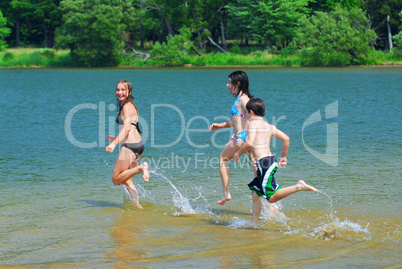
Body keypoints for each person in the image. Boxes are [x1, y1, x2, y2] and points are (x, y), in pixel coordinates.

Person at [234, 98, 318, 226]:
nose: (245, 115)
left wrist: (237, 153)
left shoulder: (253, 124)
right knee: (255, 194)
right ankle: (253, 224)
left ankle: (299, 187)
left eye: (246, 113)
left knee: (270, 197)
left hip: (264, 163)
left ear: (251, 112)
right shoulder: (269, 126)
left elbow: (249, 143)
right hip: (268, 162)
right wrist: (283, 156)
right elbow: (286, 139)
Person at [210, 71, 253, 205]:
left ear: (238, 84)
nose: (227, 85)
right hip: (247, 137)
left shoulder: (243, 99)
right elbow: (236, 120)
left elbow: (253, 116)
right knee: (256, 167)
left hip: (241, 137)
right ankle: (270, 202)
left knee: (223, 158)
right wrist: (220, 125)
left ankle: (226, 193)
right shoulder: (243, 98)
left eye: (230, 83)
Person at [106, 80, 149, 208]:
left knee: (116, 179)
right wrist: (116, 138)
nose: (120, 92)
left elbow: (127, 128)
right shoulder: (128, 105)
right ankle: (137, 206)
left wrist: (114, 144)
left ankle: (141, 168)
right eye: (118, 90)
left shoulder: (127, 106)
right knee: (126, 179)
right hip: (137, 145)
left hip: (130, 147)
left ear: (129, 92)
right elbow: (132, 127)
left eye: (123, 90)